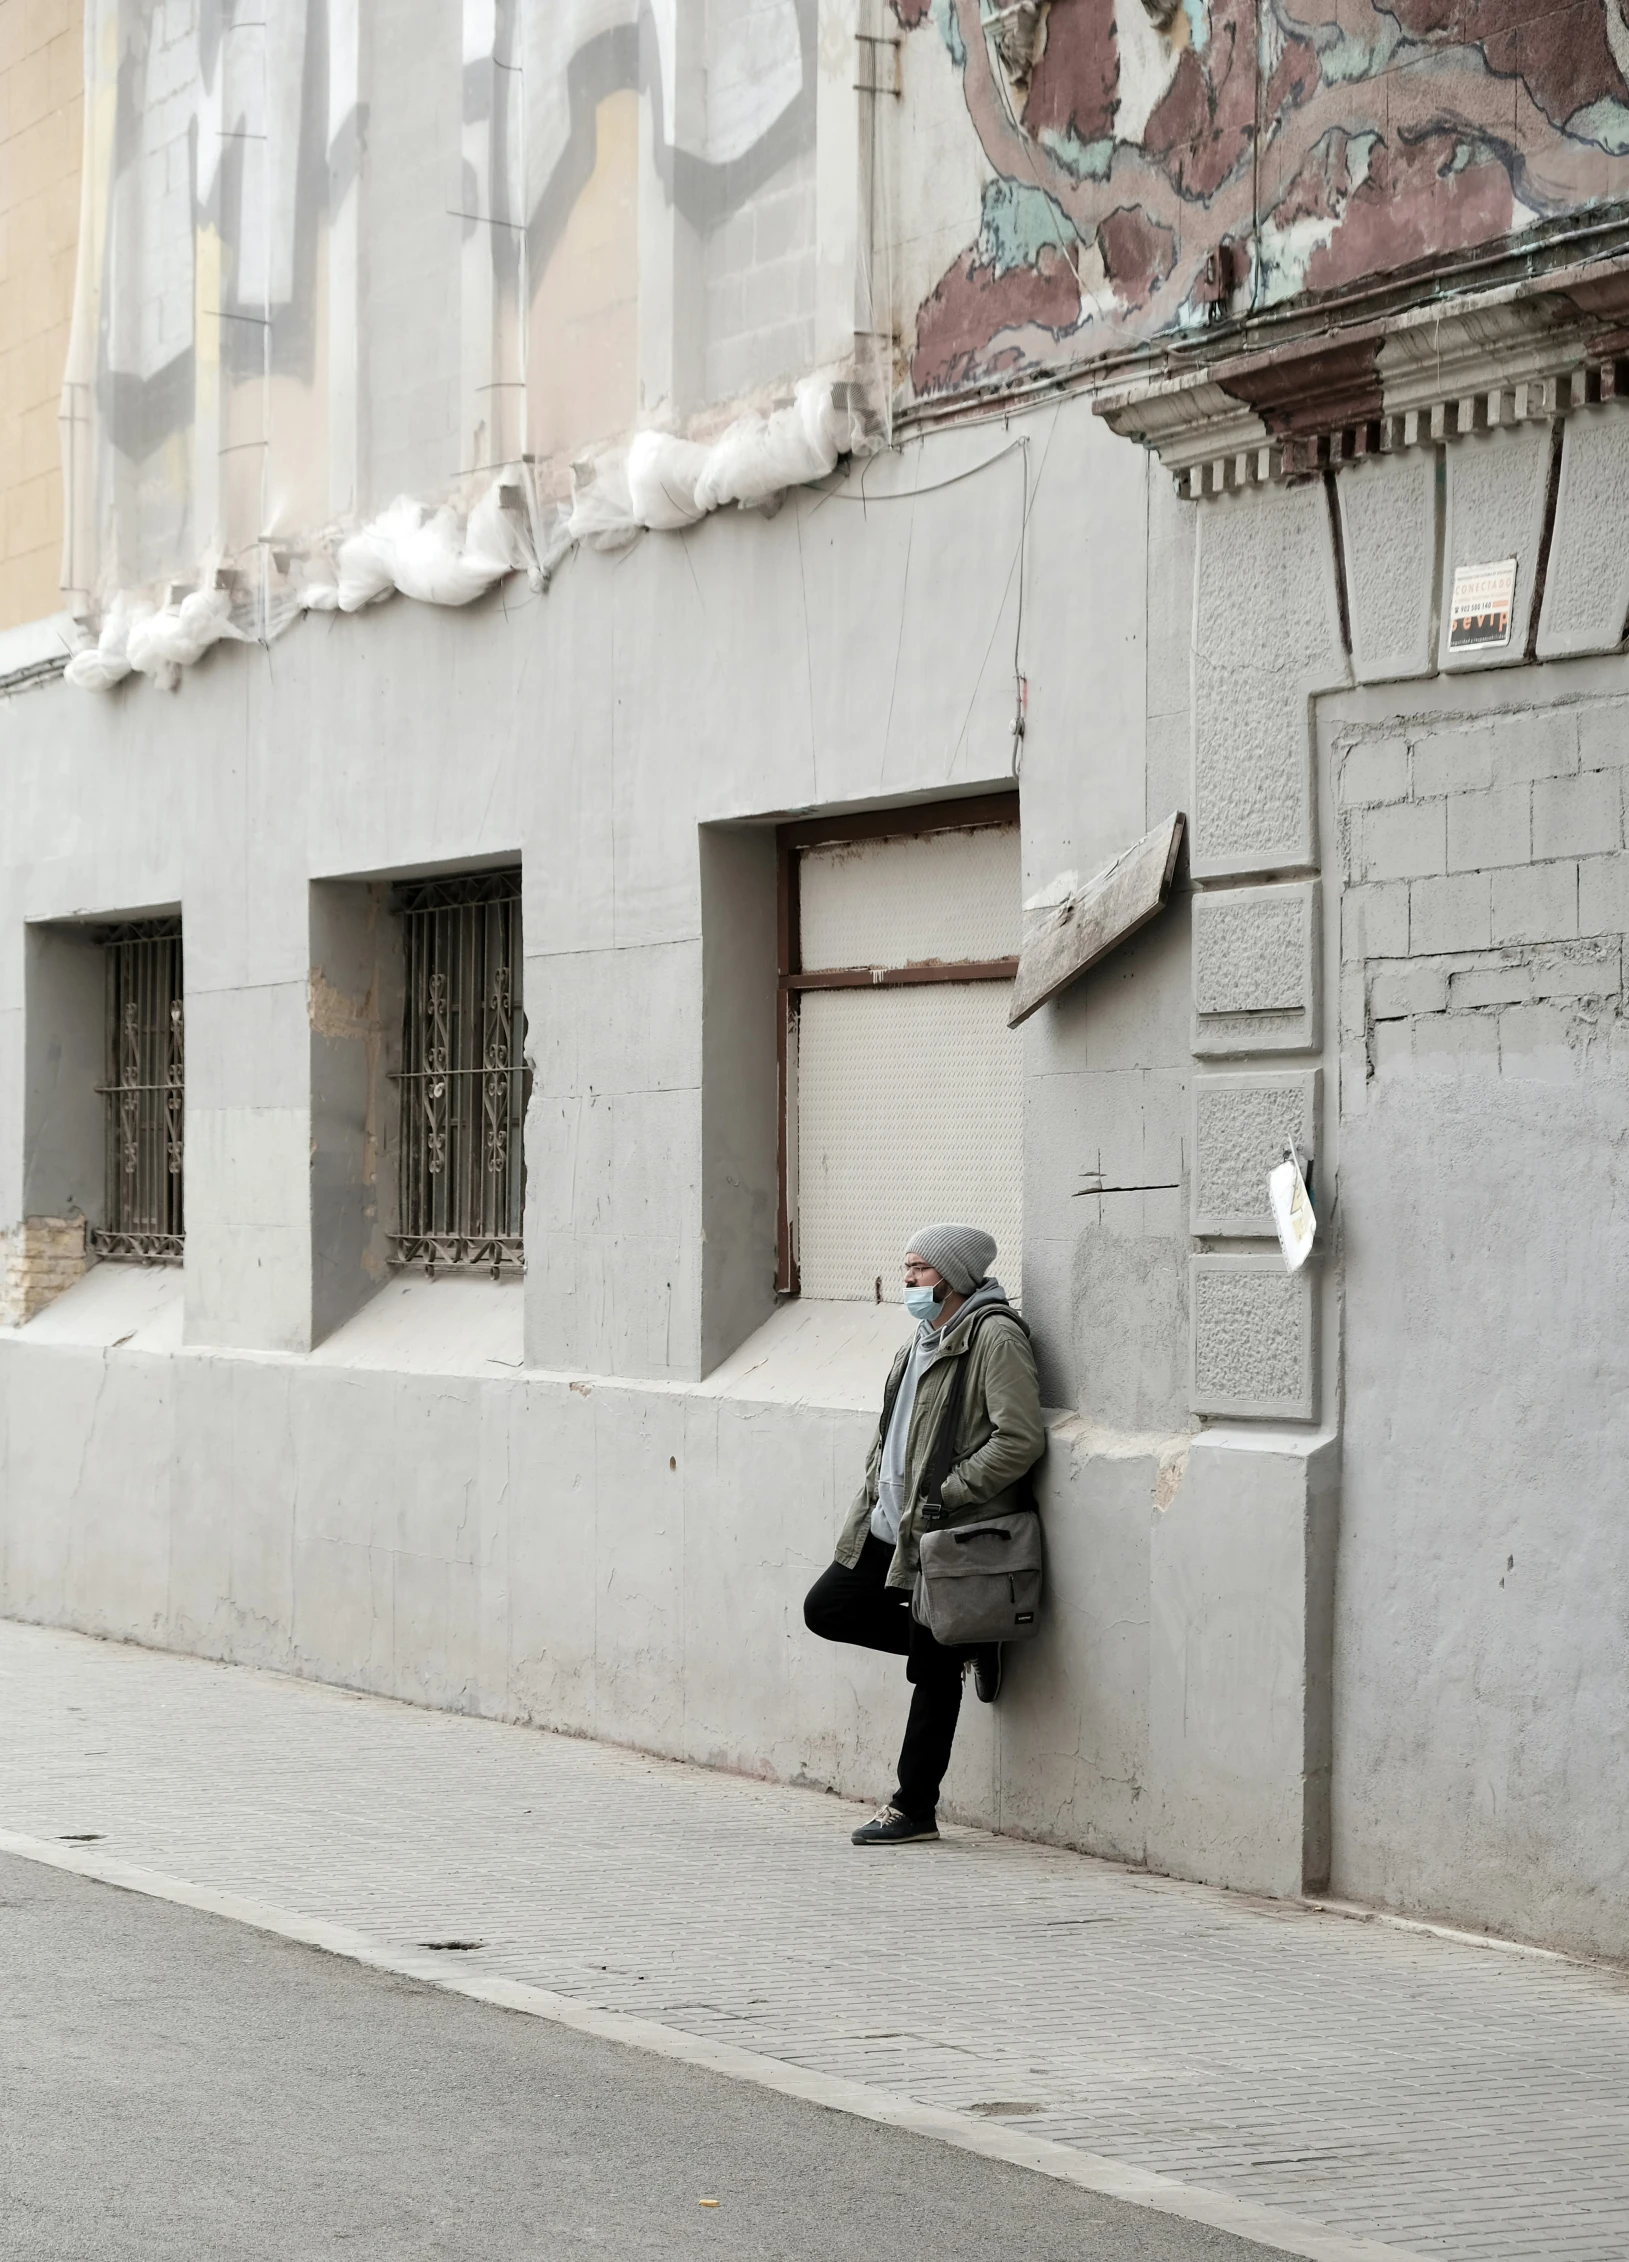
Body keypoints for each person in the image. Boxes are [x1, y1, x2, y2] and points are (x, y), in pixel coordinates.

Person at [803, 1223, 1045, 1845]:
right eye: (907, 1266)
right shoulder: (920, 1340)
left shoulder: (994, 1338)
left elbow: (1018, 1439)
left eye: (918, 1268)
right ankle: (970, 1643)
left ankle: (914, 1808)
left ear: (954, 1277)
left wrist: (948, 1492)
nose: (907, 1279)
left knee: (933, 1666)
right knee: (828, 1608)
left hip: (945, 1526)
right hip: (890, 1522)